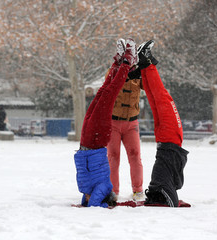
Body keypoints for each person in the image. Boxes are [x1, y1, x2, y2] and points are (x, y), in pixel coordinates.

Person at [74, 38, 138, 207]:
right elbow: (95, 204)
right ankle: (127, 61)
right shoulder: (104, 188)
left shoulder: (85, 191)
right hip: (96, 139)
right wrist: (100, 204)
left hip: (86, 142)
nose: (86, 200)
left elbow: (86, 200)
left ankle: (117, 64)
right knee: (111, 93)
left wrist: (83, 202)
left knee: (102, 91)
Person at [137, 40, 188, 207]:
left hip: (170, 140)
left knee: (162, 97)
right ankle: (145, 64)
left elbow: (172, 202)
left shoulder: (163, 184)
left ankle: (146, 61)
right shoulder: (160, 182)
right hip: (164, 140)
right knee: (154, 98)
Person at [107, 39, 144, 201]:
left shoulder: (139, 74)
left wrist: (144, 65)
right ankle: (113, 191)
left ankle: (138, 190)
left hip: (132, 123)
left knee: (135, 156)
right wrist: (119, 64)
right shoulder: (114, 71)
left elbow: (150, 84)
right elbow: (108, 83)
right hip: (113, 123)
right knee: (113, 157)